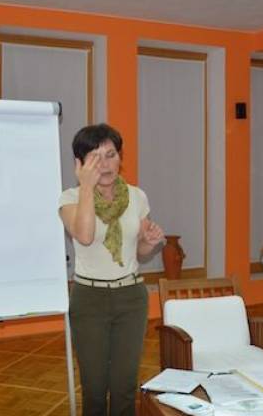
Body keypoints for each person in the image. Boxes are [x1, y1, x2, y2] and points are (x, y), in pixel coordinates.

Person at [58, 123, 164, 416]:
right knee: (94, 389)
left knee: (125, 387)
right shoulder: (70, 198)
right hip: (89, 299)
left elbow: (139, 252)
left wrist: (148, 242)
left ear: (120, 157)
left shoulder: (137, 197)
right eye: (95, 157)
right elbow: (85, 235)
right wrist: (86, 188)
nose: (104, 164)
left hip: (131, 297)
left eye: (111, 154)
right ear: (80, 164)